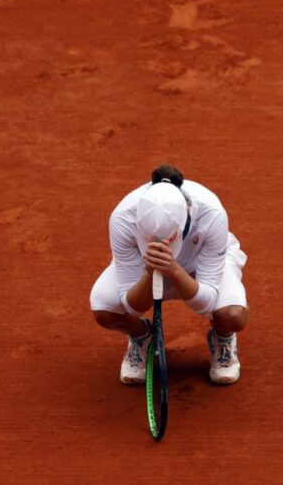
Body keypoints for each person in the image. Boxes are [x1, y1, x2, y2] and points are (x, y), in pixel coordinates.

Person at [89, 164, 249, 385]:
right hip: (146, 266)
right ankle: (141, 337)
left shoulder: (212, 214)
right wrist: (149, 272)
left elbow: (207, 302)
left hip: (198, 264)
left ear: (187, 218)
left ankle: (222, 338)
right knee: (104, 308)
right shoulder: (122, 218)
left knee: (232, 315)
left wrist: (172, 269)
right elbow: (133, 306)